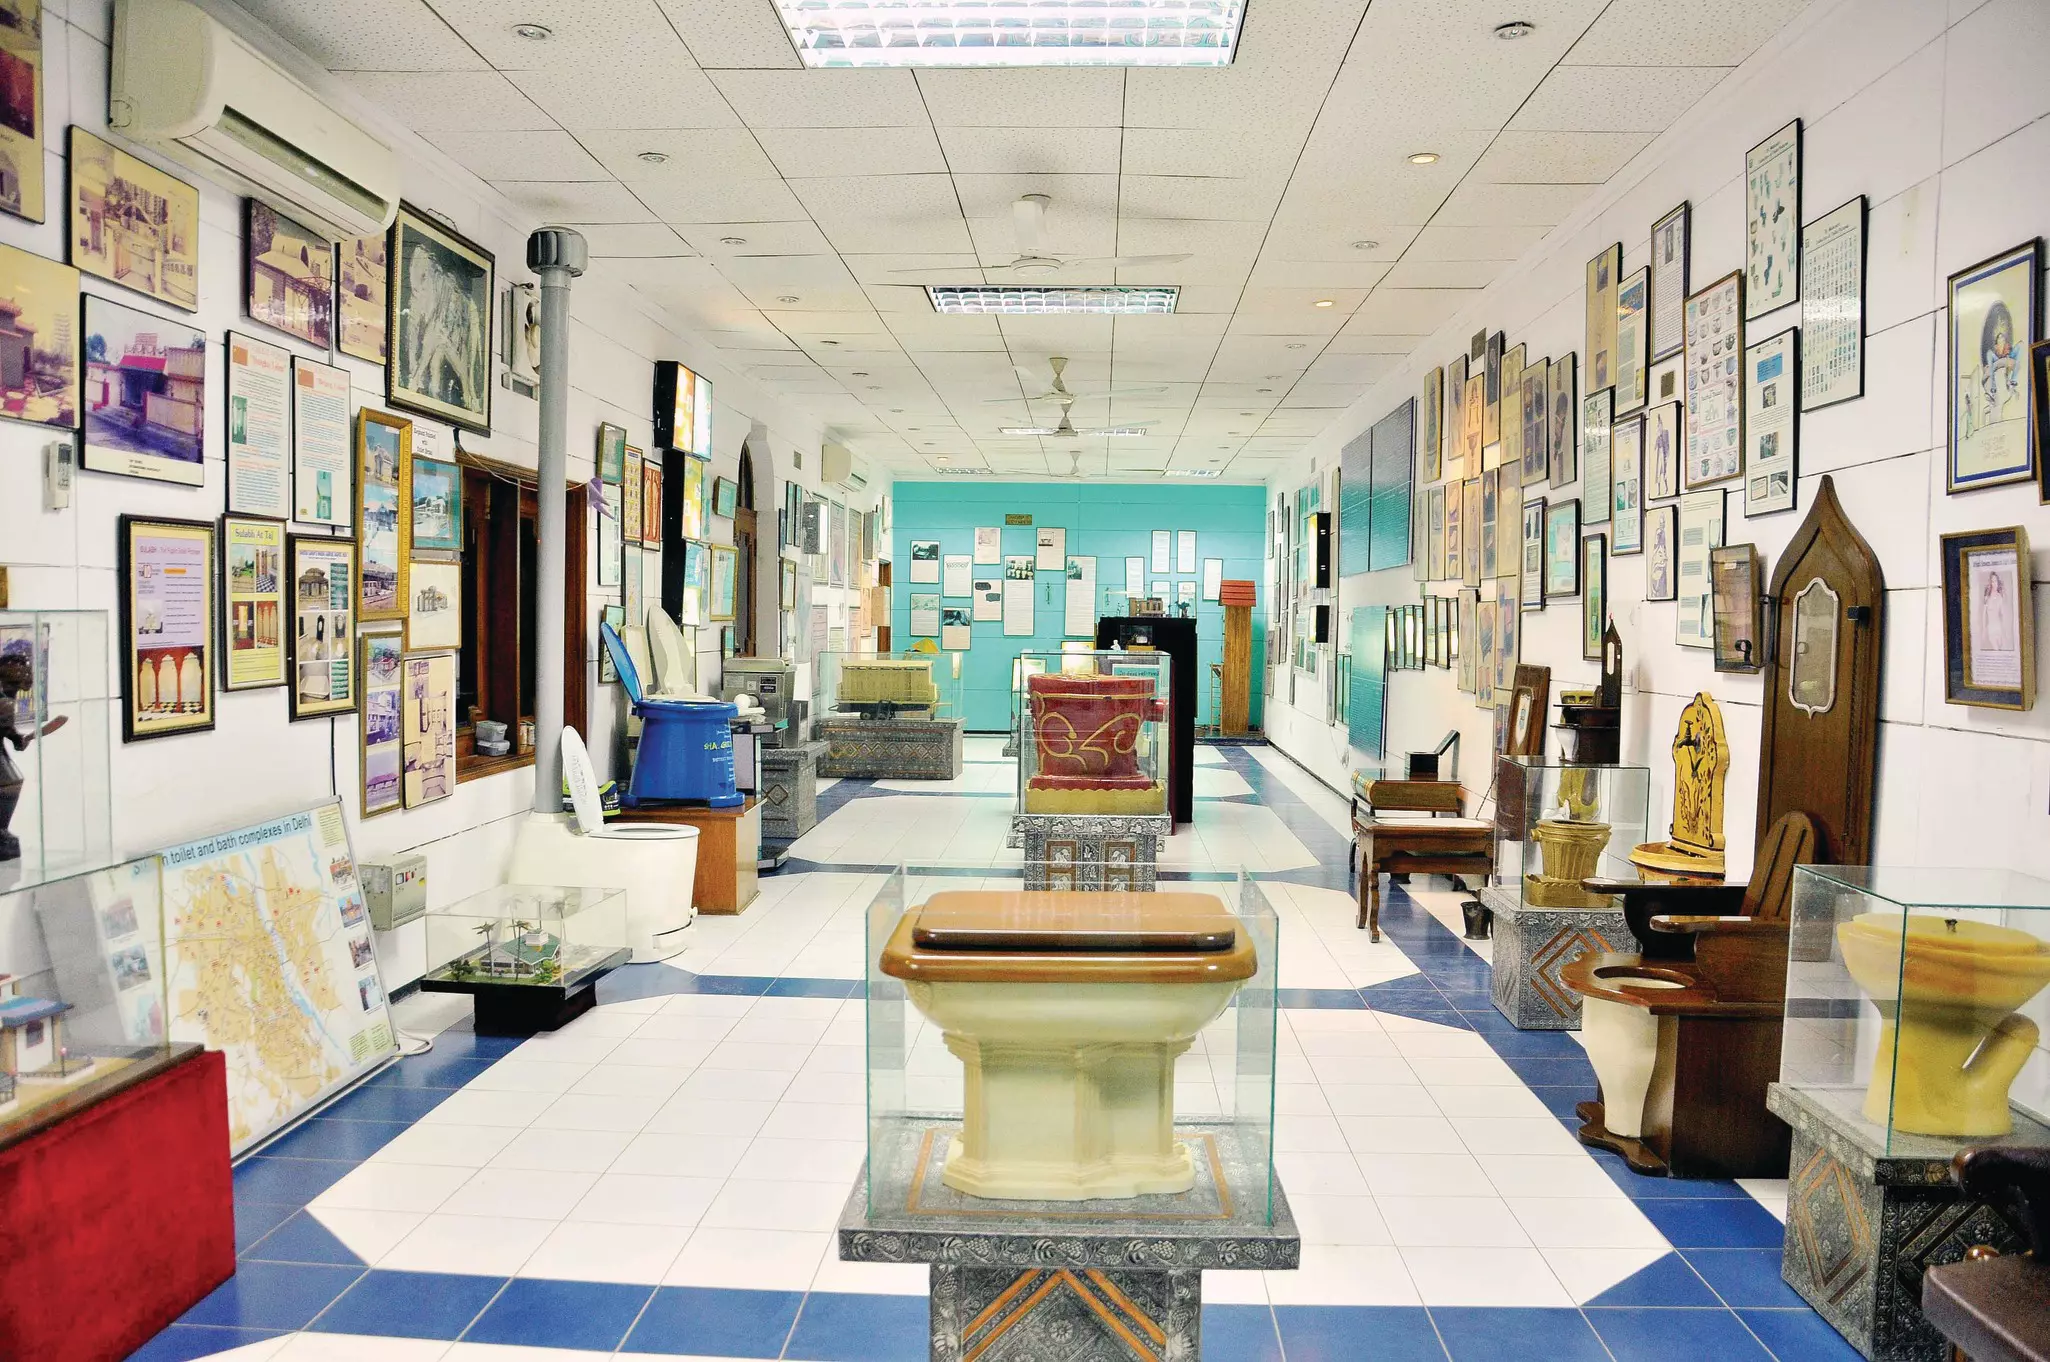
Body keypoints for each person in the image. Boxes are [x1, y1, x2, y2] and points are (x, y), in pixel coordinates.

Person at [0, 646, 69, 860]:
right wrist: (18, 739)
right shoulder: (4, 702)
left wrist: (16, 738)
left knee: (11, 783)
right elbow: (6, 727)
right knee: (10, 784)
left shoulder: (5, 701)